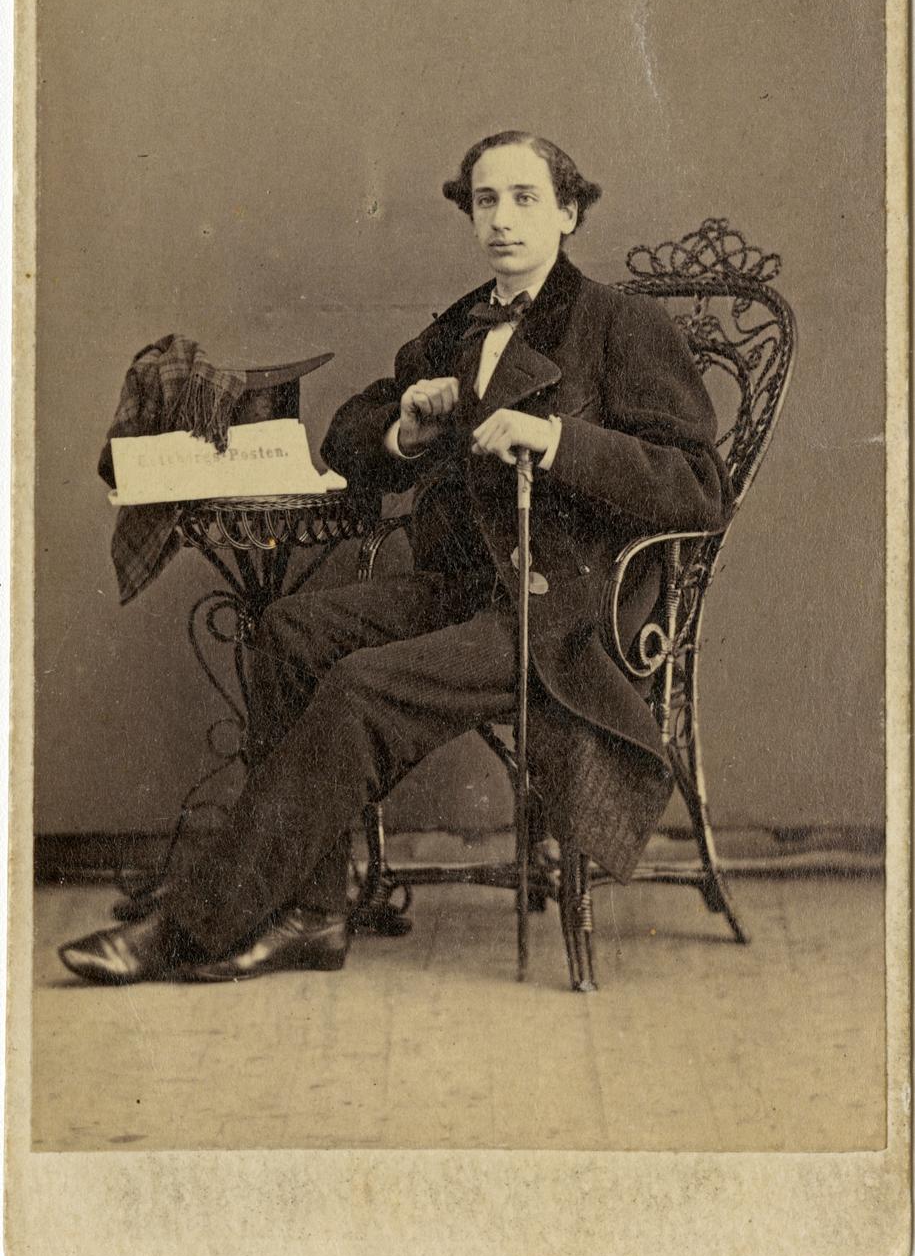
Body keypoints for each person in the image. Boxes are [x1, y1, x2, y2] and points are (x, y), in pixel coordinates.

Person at [60, 130, 731, 985]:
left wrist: (558, 440)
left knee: (360, 686)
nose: (502, 219)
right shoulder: (459, 325)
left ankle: (194, 925)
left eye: (525, 198)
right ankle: (312, 913)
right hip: (464, 590)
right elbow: (347, 439)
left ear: (568, 213)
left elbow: (698, 486)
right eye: (485, 200)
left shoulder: (620, 323)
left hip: (563, 616)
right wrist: (403, 430)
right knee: (287, 631)